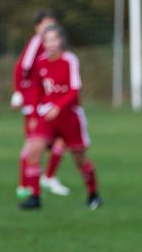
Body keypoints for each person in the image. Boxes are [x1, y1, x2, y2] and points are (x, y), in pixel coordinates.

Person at [18, 24, 100, 211]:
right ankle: (35, 196)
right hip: (47, 117)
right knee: (34, 150)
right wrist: (32, 114)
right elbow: (37, 90)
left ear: (61, 41)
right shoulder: (40, 62)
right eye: (47, 40)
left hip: (70, 117)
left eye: (54, 39)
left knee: (80, 159)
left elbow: (74, 89)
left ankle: (93, 193)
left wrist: (58, 107)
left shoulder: (69, 60)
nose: (51, 44)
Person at [11, 9, 70, 197]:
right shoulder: (37, 42)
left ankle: (45, 178)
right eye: (46, 24)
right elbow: (23, 68)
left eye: (53, 23)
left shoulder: (52, 48)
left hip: (48, 103)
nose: (50, 27)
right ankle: (25, 185)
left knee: (60, 141)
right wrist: (19, 92)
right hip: (34, 102)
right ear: (37, 27)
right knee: (33, 144)